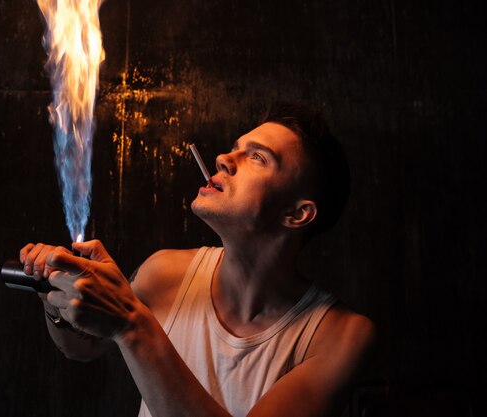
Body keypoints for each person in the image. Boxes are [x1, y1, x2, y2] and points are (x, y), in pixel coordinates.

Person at [19, 101, 377, 417]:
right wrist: (55, 296)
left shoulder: (339, 336)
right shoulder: (166, 271)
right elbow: (82, 347)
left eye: (257, 157)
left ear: (297, 214)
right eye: (236, 148)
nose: (224, 158)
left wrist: (131, 322)